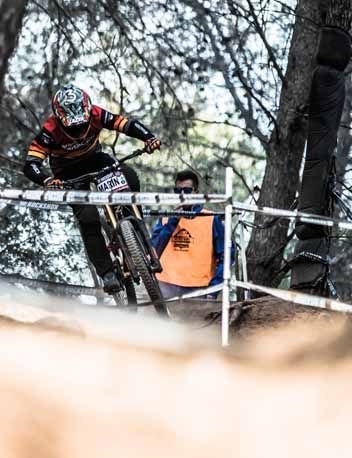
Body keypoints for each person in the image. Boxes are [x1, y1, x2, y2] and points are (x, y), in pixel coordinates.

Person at [22, 84, 162, 291]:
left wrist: (148, 137)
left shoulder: (97, 113)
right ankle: (107, 274)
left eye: (82, 125)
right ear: (60, 119)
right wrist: (47, 180)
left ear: (88, 112)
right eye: (73, 128)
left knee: (129, 177)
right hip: (67, 173)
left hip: (96, 159)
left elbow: (125, 124)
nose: (79, 131)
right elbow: (31, 164)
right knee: (88, 218)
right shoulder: (50, 131)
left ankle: (135, 231)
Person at [150, 170, 227, 298]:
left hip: (198, 291)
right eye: (177, 191)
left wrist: (213, 290)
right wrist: (173, 221)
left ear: (196, 192)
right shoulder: (165, 219)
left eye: (187, 191)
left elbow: (227, 257)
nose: (182, 195)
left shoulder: (211, 219)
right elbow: (153, 252)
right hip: (165, 288)